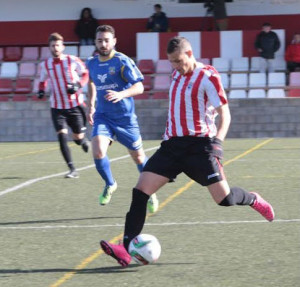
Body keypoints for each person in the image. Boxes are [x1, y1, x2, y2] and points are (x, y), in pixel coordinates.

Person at [99, 36, 275, 267]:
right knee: (141, 191)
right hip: (172, 146)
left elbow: (225, 113)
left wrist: (217, 144)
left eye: (179, 61)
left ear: (190, 54)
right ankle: (125, 247)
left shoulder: (208, 76)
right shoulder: (175, 73)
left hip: (199, 147)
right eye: (172, 62)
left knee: (224, 199)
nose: (176, 66)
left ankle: (253, 198)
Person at [86, 25, 159, 212]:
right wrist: (91, 105)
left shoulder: (122, 61)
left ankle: (150, 191)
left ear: (114, 41)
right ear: (95, 42)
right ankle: (110, 184)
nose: (103, 44)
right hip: (103, 116)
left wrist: (122, 94)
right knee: (98, 151)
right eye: (100, 40)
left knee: (138, 157)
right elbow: (92, 83)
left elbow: (140, 87)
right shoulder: (92, 63)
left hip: (125, 119)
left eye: (106, 40)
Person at [38, 32, 90, 178]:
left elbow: (85, 73)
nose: (55, 48)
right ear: (49, 47)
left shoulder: (72, 60)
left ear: (63, 47)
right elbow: (42, 81)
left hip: (75, 105)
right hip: (57, 107)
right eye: (52, 45)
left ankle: (83, 140)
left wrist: (77, 85)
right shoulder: (46, 65)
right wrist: (41, 90)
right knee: (61, 136)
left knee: (78, 139)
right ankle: (72, 169)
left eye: (58, 45)